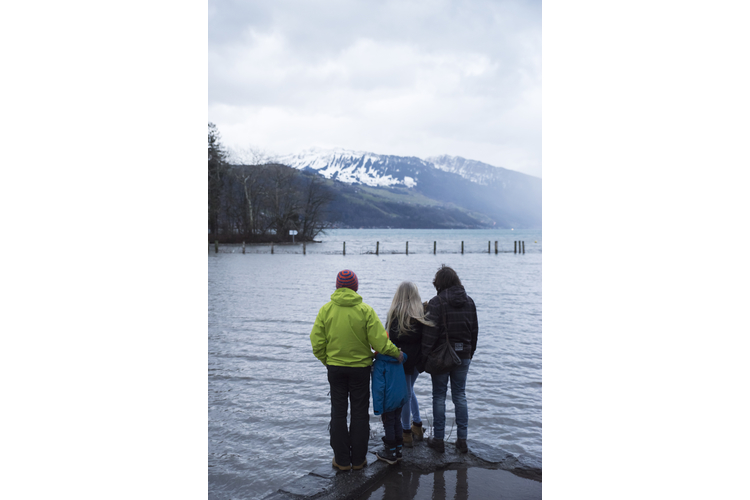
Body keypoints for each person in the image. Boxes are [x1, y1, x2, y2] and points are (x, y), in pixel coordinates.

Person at [310, 269, 403, 471]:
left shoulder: (326, 310)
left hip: (335, 369)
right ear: (356, 287)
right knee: (360, 413)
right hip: (360, 369)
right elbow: (380, 342)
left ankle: (342, 461)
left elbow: (316, 343)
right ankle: (358, 460)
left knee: (338, 413)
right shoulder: (365, 311)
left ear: (337, 287)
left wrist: (327, 361)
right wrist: (397, 353)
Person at [421, 265, 478, 454]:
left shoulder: (437, 303)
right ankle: (462, 440)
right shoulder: (469, 302)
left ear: (439, 283)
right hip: (464, 355)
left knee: (439, 396)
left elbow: (430, 334)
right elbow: (474, 332)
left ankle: (439, 440)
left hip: (441, 357)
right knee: (460, 395)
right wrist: (469, 353)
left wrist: (424, 358)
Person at [385, 281, 434, 447]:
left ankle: (406, 432)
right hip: (417, 362)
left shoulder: (394, 315)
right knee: (409, 390)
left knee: (405, 394)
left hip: (401, 360)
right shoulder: (421, 314)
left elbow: (390, 340)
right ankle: (418, 425)